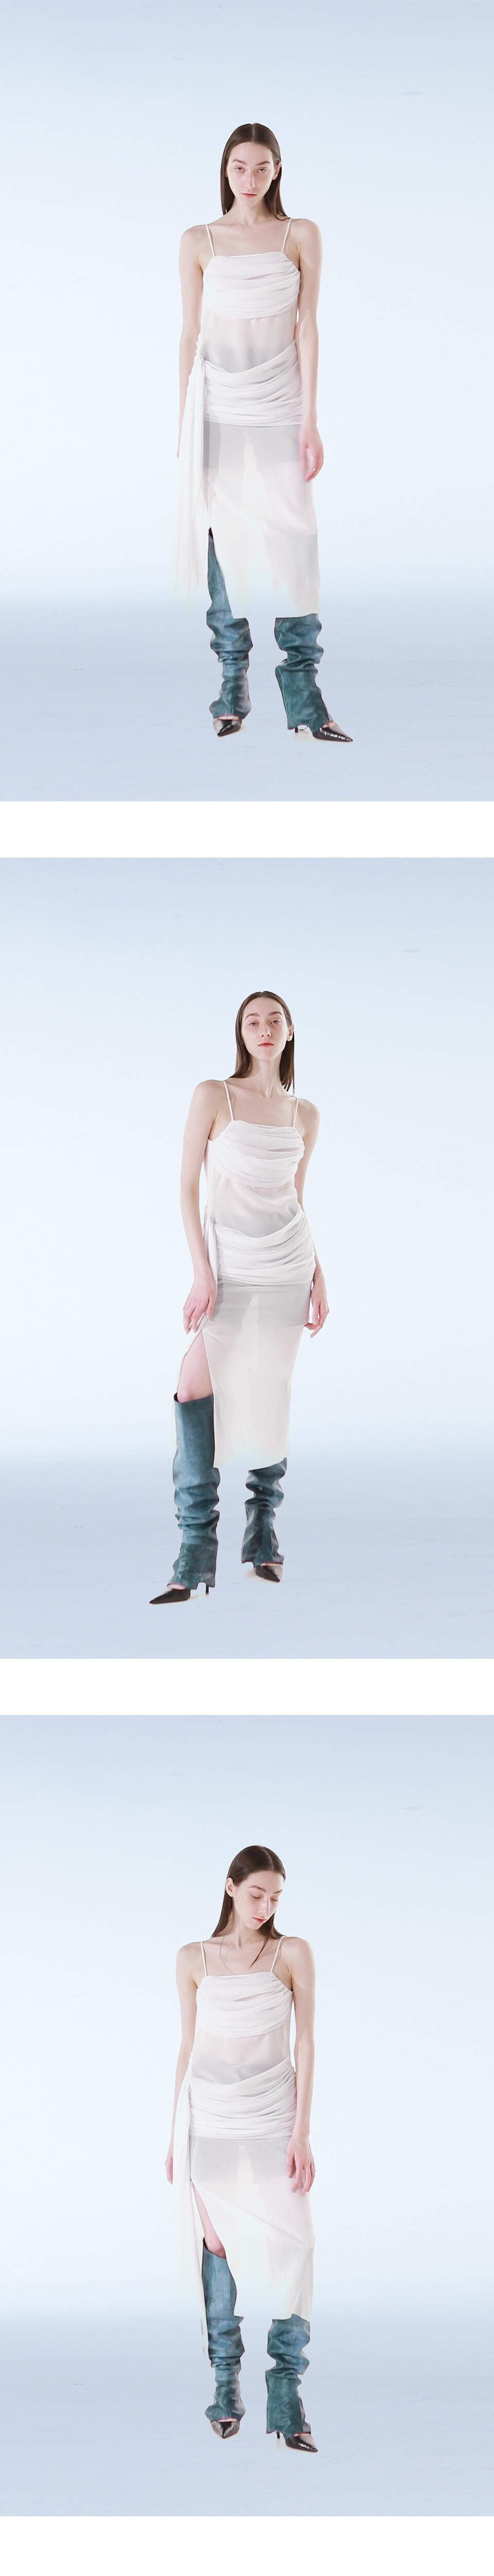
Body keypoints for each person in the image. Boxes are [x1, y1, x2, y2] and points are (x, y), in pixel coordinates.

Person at [150, 989, 328, 1605]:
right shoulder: (213, 1095)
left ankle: (263, 1529)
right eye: (253, 1020)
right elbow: (186, 1189)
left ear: (289, 1031)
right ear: (242, 1033)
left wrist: (320, 1273)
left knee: (268, 1389)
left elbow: (295, 1199)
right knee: (193, 1384)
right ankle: (196, 1545)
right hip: (230, 1265)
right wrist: (202, 1272)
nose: (264, 1028)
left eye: (274, 1019)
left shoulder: (306, 1114)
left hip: (289, 1263)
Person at [175, 120, 351, 742]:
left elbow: (309, 325)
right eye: (239, 167)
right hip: (218, 403)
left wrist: (311, 418)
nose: (249, 179)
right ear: (225, 170)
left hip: (279, 399)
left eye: (261, 168)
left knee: (294, 533)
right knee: (222, 537)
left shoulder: (300, 234)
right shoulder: (198, 240)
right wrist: (182, 422)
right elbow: (189, 333)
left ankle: (302, 687)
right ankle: (232, 683)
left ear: (277, 171)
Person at [167, 1844, 317, 2450]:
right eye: (257, 1893)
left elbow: (306, 2042)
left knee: (297, 2242)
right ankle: (226, 2385)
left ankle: (285, 2385)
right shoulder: (193, 1957)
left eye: (276, 1897)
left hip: (272, 2109)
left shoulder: (292, 1952)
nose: (266, 1906)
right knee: (218, 2243)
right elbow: (187, 2044)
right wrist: (172, 2128)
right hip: (208, 2114)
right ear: (230, 1887)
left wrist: (302, 2130)